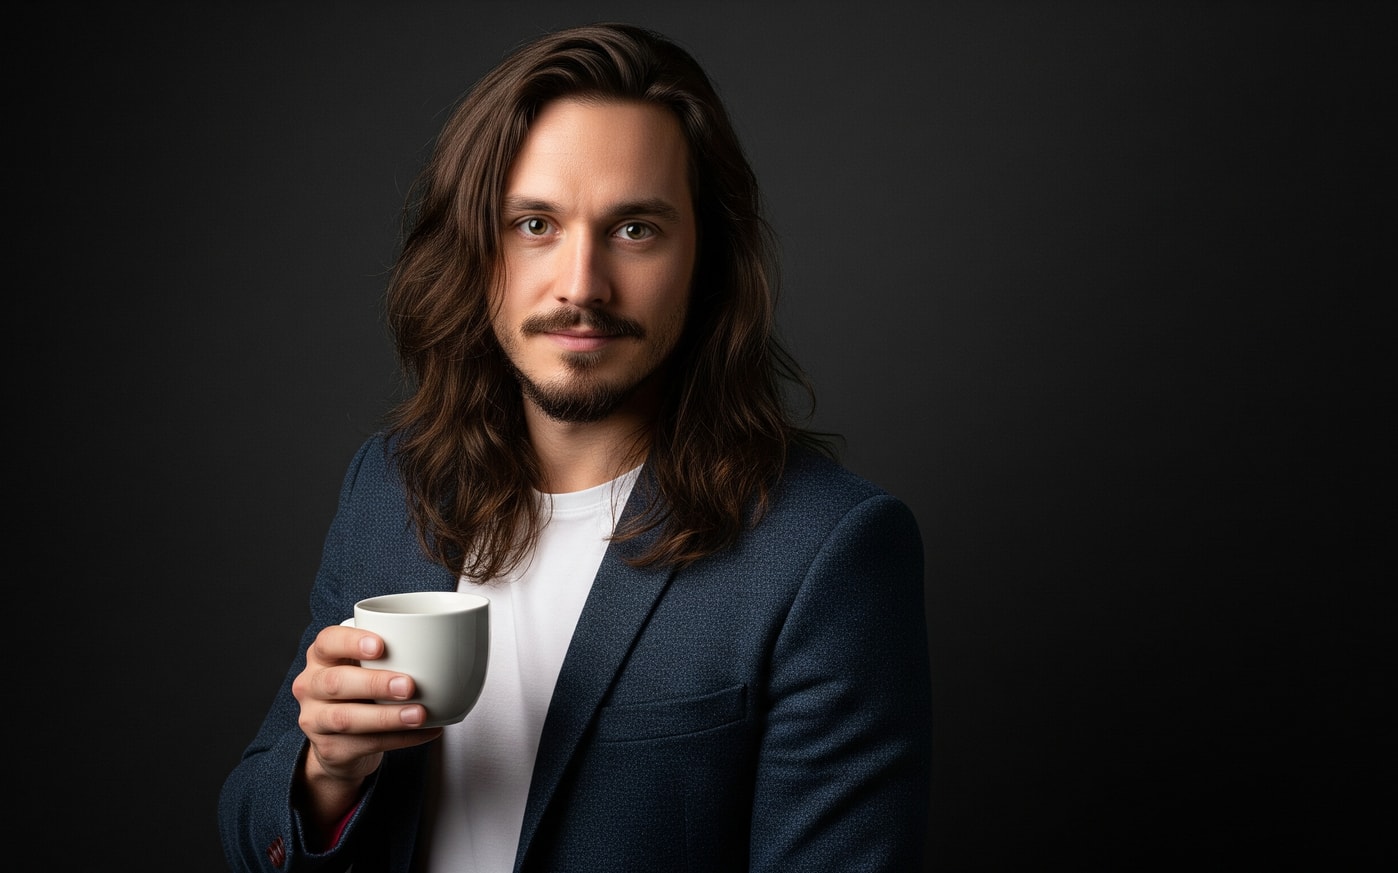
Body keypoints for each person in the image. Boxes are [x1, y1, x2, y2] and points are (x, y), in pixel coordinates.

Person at [219, 22, 931, 873]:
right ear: (476, 250)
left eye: (636, 229)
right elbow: (252, 834)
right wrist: (327, 773)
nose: (582, 285)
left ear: (706, 259)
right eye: (534, 224)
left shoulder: (827, 549)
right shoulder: (391, 487)